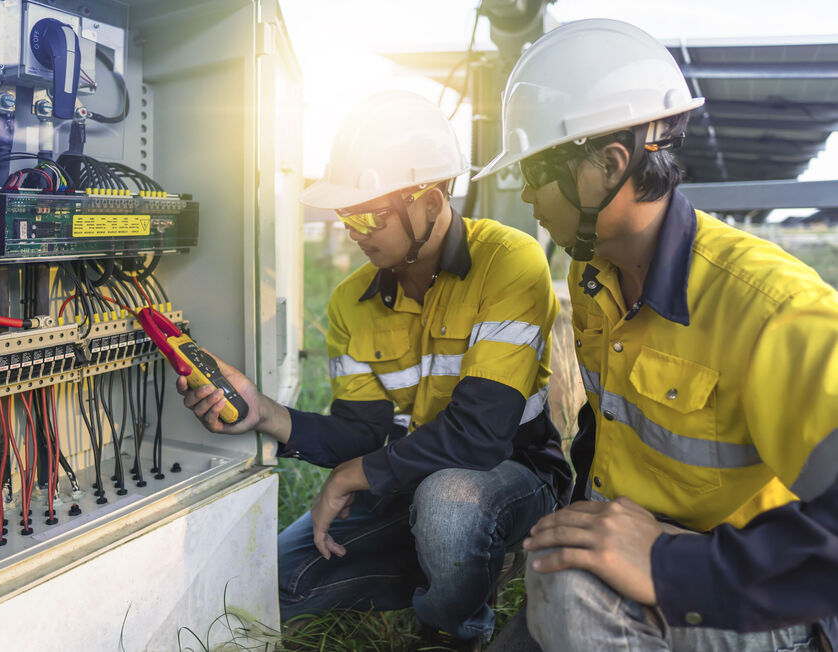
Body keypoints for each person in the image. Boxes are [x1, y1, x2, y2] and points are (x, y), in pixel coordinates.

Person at [474, 18, 838, 652]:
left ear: (607, 167)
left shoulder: (772, 308)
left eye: (533, 174)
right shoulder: (591, 272)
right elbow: (607, 421)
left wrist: (669, 567)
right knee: (554, 576)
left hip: (760, 589)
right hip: (640, 541)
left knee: (567, 585)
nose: (527, 196)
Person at [177, 90, 571, 648]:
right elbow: (365, 435)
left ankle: (452, 627)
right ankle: (443, 566)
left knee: (450, 505)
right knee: (269, 585)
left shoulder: (510, 262)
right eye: (345, 214)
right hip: (405, 481)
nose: (354, 231)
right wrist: (265, 412)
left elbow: (481, 437)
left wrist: (354, 475)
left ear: (431, 203)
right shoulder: (349, 302)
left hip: (511, 477)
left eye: (369, 214)